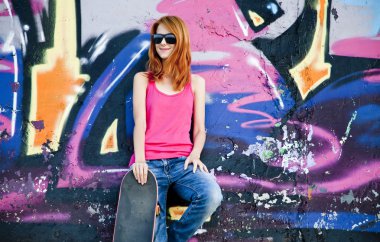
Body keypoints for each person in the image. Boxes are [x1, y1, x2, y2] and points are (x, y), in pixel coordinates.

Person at [128, 15, 223, 242]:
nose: (163, 43)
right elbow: (139, 122)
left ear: (180, 41)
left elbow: (199, 129)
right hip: (149, 164)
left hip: (183, 162)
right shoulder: (142, 79)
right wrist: (140, 160)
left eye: (169, 38)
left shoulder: (196, 83)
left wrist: (195, 153)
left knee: (211, 195)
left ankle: (175, 238)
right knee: (154, 229)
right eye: (158, 37)